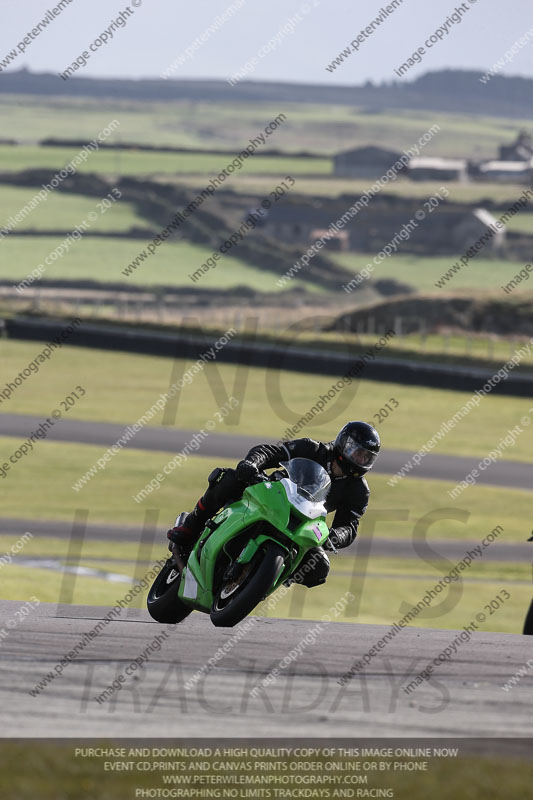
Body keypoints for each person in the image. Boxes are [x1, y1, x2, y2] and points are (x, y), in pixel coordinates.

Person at [167, 421, 380, 588]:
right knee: (229, 479)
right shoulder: (312, 449)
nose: (360, 459)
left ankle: (266, 580)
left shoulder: (359, 491)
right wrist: (252, 463)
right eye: (357, 452)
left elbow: (350, 526)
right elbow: (270, 451)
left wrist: (336, 536)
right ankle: (190, 526)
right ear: (343, 443)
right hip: (271, 496)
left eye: (366, 457)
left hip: (303, 522)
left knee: (319, 568)